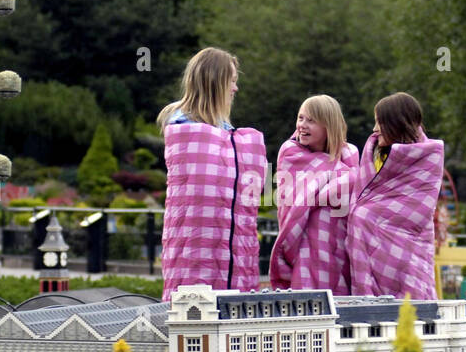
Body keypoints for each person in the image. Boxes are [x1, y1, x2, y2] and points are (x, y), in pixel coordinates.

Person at [157, 48, 266, 300]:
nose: (235, 89)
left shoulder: (226, 132)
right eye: (232, 81)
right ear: (215, 82)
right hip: (194, 249)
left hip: (235, 252)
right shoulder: (181, 126)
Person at [347, 92, 444, 300]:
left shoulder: (427, 157)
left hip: (410, 257)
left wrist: (366, 214)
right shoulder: (377, 155)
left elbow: (415, 211)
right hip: (376, 260)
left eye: (379, 123)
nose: (374, 129)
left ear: (395, 123)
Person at [269, 95, 358, 293]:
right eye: (301, 118)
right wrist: (342, 180)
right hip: (305, 245)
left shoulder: (350, 154)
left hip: (339, 243)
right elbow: (293, 199)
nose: (302, 125)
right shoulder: (291, 152)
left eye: (311, 120)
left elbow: (354, 193)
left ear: (329, 125)